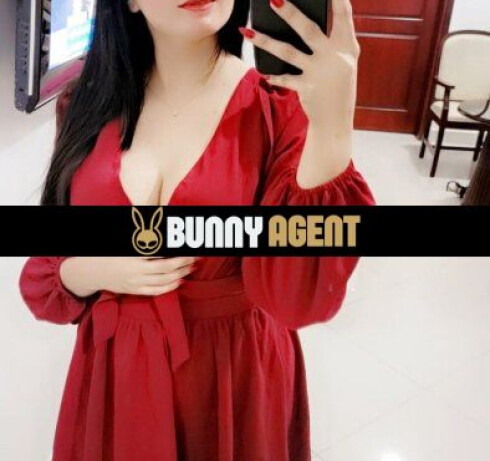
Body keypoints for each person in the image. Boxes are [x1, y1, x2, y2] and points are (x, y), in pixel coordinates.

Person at [19, 0, 376, 460]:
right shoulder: (84, 104)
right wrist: (90, 271)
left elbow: (299, 296)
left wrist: (333, 124)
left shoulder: (278, 108)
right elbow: (45, 274)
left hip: (232, 378)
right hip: (115, 375)